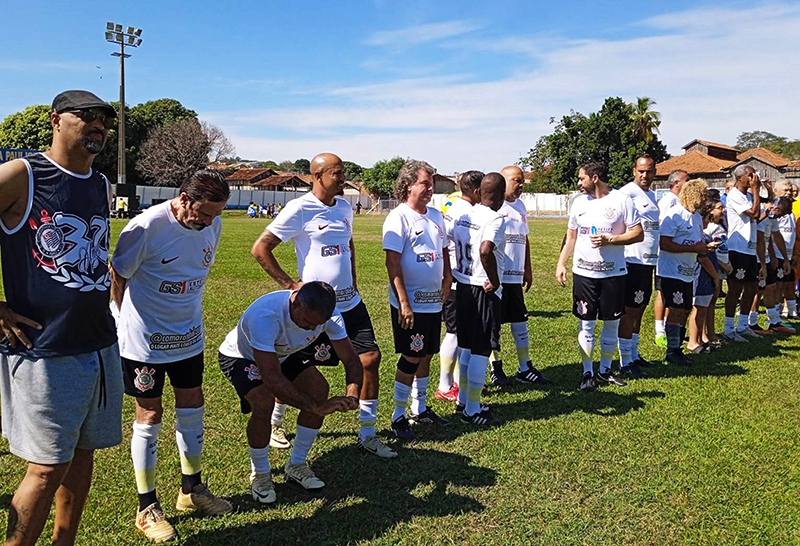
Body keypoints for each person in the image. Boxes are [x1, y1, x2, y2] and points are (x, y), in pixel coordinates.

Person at [0, 90, 124, 545]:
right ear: (55, 120)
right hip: (44, 350)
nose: (99, 126)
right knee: (47, 465)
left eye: (105, 120)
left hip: (99, 344)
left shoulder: (100, 183)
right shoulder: (22, 175)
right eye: (87, 116)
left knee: (83, 453)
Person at [110, 170, 232, 542]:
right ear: (183, 198)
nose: (210, 222)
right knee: (150, 413)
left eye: (216, 215)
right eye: (205, 213)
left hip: (188, 336)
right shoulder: (146, 227)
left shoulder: (212, 225)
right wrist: (119, 319)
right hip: (145, 340)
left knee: (192, 405)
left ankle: (190, 490)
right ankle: (146, 507)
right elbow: (118, 275)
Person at [250, 153, 394, 458]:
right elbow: (261, 248)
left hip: (349, 302)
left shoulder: (343, 207)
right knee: (296, 369)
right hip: (313, 310)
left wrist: (353, 280)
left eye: (343, 173)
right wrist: (291, 285)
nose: (344, 179)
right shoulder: (299, 209)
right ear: (318, 176)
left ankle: (367, 433)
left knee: (370, 359)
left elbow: (349, 245)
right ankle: (276, 424)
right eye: (337, 174)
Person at [218, 282, 362, 504]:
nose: (311, 328)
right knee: (263, 401)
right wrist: (316, 407)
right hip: (242, 356)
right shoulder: (265, 316)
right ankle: (261, 475)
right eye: (307, 321)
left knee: (319, 388)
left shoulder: (329, 316)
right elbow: (272, 379)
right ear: (295, 302)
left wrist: (352, 394)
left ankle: (296, 465)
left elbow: (351, 359)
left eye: (317, 325)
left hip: (283, 353)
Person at [556, 162, 643, 391]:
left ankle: (605, 370)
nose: (578, 182)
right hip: (584, 273)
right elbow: (571, 236)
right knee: (586, 323)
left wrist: (610, 240)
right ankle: (587, 372)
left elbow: (638, 233)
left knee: (611, 322)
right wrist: (561, 263)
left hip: (613, 272)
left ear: (595, 178)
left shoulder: (621, 200)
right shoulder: (578, 203)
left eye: (581, 178)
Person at [382, 160, 452, 439]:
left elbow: (444, 250)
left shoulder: (435, 215)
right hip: (410, 302)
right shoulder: (398, 217)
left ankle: (419, 408)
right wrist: (404, 302)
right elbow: (392, 263)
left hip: (434, 300)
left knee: (427, 354)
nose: (430, 188)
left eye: (431, 183)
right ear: (408, 185)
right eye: (425, 183)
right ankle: (398, 415)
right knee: (412, 354)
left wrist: (447, 279)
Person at [449, 173, 507, 424]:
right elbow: (485, 250)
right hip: (482, 289)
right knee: (482, 349)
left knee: (466, 347)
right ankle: (472, 410)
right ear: (501, 195)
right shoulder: (495, 218)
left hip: (461, 285)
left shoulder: (466, 214)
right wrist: (494, 280)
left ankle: (463, 401)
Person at [488, 165, 550, 385]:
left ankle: (525, 367)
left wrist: (528, 268)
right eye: (517, 180)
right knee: (494, 326)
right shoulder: (494, 206)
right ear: (503, 181)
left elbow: (525, 239)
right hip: (497, 277)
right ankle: (496, 369)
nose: (521, 184)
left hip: (515, 276)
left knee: (520, 321)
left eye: (522, 180)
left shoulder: (521, 206)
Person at [435, 172, 482, 403]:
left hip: (452, 277)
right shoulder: (470, 213)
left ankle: (454, 382)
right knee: (455, 333)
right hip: (458, 279)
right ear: (476, 190)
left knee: (457, 333)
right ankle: (445, 385)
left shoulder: (449, 210)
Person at [658, 178, 717, 364]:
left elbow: (697, 243)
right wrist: (694, 249)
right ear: (694, 194)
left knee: (684, 309)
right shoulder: (675, 215)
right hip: (671, 271)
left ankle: (677, 349)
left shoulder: (697, 217)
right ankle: (671, 352)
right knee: (675, 309)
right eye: (703, 194)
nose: (705, 199)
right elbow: (664, 244)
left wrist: (705, 248)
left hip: (688, 272)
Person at [617, 154, 660, 377]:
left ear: (655, 172)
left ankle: (633, 354)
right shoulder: (626, 193)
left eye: (649, 171)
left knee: (640, 308)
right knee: (630, 310)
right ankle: (624, 361)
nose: (645, 175)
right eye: (641, 171)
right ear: (634, 171)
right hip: (632, 259)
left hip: (648, 260)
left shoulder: (651, 195)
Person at [723, 166, 763, 342]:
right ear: (741, 178)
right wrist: (756, 190)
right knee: (735, 288)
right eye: (751, 174)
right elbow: (754, 213)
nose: (754, 177)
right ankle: (729, 328)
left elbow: (758, 214)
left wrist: (758, 192)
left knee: (752, 287)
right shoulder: (734, 195)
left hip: (750, 248)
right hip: (737, 248)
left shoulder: (748, 195)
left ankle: (743, 325)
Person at [653, 170, 688, 347]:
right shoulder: (670, 200)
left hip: (678, 257)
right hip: (666, 256)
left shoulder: (680, 201)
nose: (689, 184)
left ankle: (669, 328)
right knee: (663, 293)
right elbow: (663, 225)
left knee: (673, 296)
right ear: (676, 183)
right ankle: (660, 331)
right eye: (686, 180)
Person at [750, 196, 794, 333]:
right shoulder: (763, 216)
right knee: (757, 290)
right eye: (780, 213)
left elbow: (776, 236)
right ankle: (750, 322)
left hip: (766, 258)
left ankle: (774, 321)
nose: (780, 217)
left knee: (770, 287)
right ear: (776, 208)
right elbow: (760, 240)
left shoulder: (773, 217)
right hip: (756, 257)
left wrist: (785, 258)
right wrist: (763, 264)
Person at [687, 193, 724, 354]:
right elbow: (703, 258)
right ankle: (693, 342)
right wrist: (715, 276)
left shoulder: (705, 233)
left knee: (704, 307)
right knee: (699, 308)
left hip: (706, 276)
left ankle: (701, 338)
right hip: (702, 275)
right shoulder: (699, 234)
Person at [701, 196, 732, 346]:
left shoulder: (721, 226)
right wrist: (722, 264)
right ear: (710, 211)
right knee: (708, 302)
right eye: (719, 208)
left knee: (712, 301)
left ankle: (711, 332)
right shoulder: (709, 228)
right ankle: (705, 334)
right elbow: (709, 251)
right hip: (713, 267)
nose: (723, 210)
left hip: (721, 267)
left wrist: (728, 262)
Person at [773, 181, 798, 319]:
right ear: (777, 191)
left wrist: (794, 253)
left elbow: (792, 235)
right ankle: (777, 314)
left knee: (789, 284)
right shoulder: (777, 211)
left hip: (789, 256)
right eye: (785, 190)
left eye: (790, 190)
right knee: (778, 286)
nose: (789, 193)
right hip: (778, 255)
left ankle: (792, 312)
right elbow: (774, 235)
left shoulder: (790, 214)